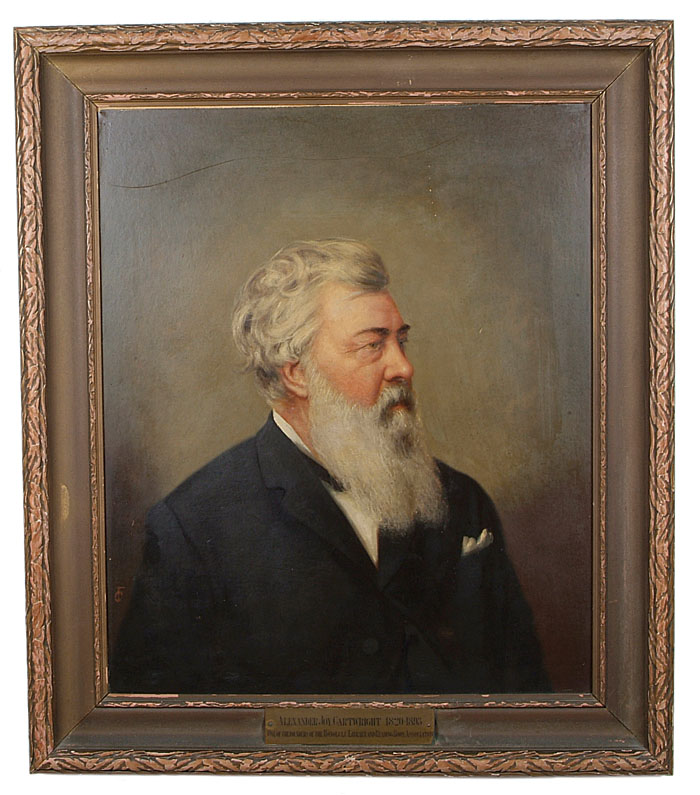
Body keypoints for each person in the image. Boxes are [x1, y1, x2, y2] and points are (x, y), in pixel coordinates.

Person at [111, 239, 548, 695]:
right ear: (296, 373)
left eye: (400, 341)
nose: (403, 367)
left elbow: (525, 691)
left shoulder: (462, 499)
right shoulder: (192, 527)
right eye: (372, 345)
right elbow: (160, 716)